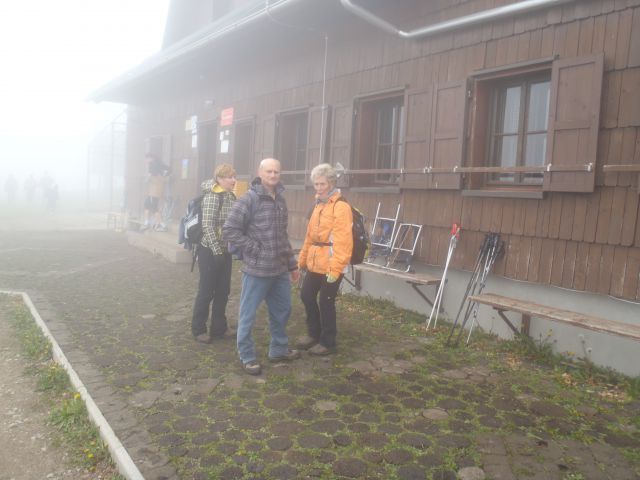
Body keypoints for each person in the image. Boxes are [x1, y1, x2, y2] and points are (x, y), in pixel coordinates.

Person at [223, 158, 300, 375]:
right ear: (260, 172)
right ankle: (247, 356)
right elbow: (229, 230)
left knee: (283, 310)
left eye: (276, 171)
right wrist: (254, 249)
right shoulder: (249, 199)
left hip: (279, 270)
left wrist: (292, 265)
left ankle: (278, 349)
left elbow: (283, 236)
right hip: (257, 270)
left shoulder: (281, 200)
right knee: (247, 315)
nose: (273, 175)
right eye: (269, 171)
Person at [297, 163, 353, 355]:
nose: (319, 188)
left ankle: (328, 341)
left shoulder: (341, 206)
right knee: (306, 295)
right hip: (315, 261)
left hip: (332, 263)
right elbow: (309, 237)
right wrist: (302, 260)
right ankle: (314, 334)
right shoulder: (317, 204)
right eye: (316, 184)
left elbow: (344, 242)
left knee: (326, 301)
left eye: (322, 184)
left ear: (331, 183)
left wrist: (336, 268)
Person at [191, 164, 237, 343]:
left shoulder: (231, 196)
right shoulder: (211, 197)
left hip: (225, 251)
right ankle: (198, 329)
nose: (233, 180)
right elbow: (208, 226)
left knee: (223, 291)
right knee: (206, 290)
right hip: (209, 251)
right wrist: (217, 252)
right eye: (229, 177)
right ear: (219, 179)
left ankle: (219, 328)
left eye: (234, 176)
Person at [141, 153, 170, 231]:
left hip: (154, 190)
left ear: (150, 158)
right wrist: (164, 176)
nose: (145, 160)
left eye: (146, 159)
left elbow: (149, 176)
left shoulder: (152, 164)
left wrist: (146, 180)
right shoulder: (159, 163)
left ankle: (162, 225)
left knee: (153, 207)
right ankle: (147, 223)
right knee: (147, 204)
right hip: (156, 189)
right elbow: (169, 169)